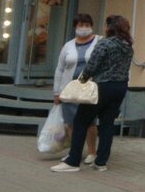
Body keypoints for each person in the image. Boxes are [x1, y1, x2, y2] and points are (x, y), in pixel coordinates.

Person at [51, 15, 134, 173]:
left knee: (81, 121)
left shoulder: (104, 44)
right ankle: (101, 161)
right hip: (120, 87)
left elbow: (92, 65)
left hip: (101, 86)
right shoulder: (127, 46)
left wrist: (82, 80)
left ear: (109, 27)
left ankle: (73, 161)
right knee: (107, 124)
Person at [52, 13, 99, 163]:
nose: (84, 28)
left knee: (90, 122)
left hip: (88, 90)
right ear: (75, 27)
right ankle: (74, 152)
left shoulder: (99, 42)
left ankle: (92, 152)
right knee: (71, 122)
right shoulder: (68, 45)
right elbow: (60, 69)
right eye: (80, 25)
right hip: (69, 90)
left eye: (87, 25)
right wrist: (57, 92)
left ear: (91, 26)